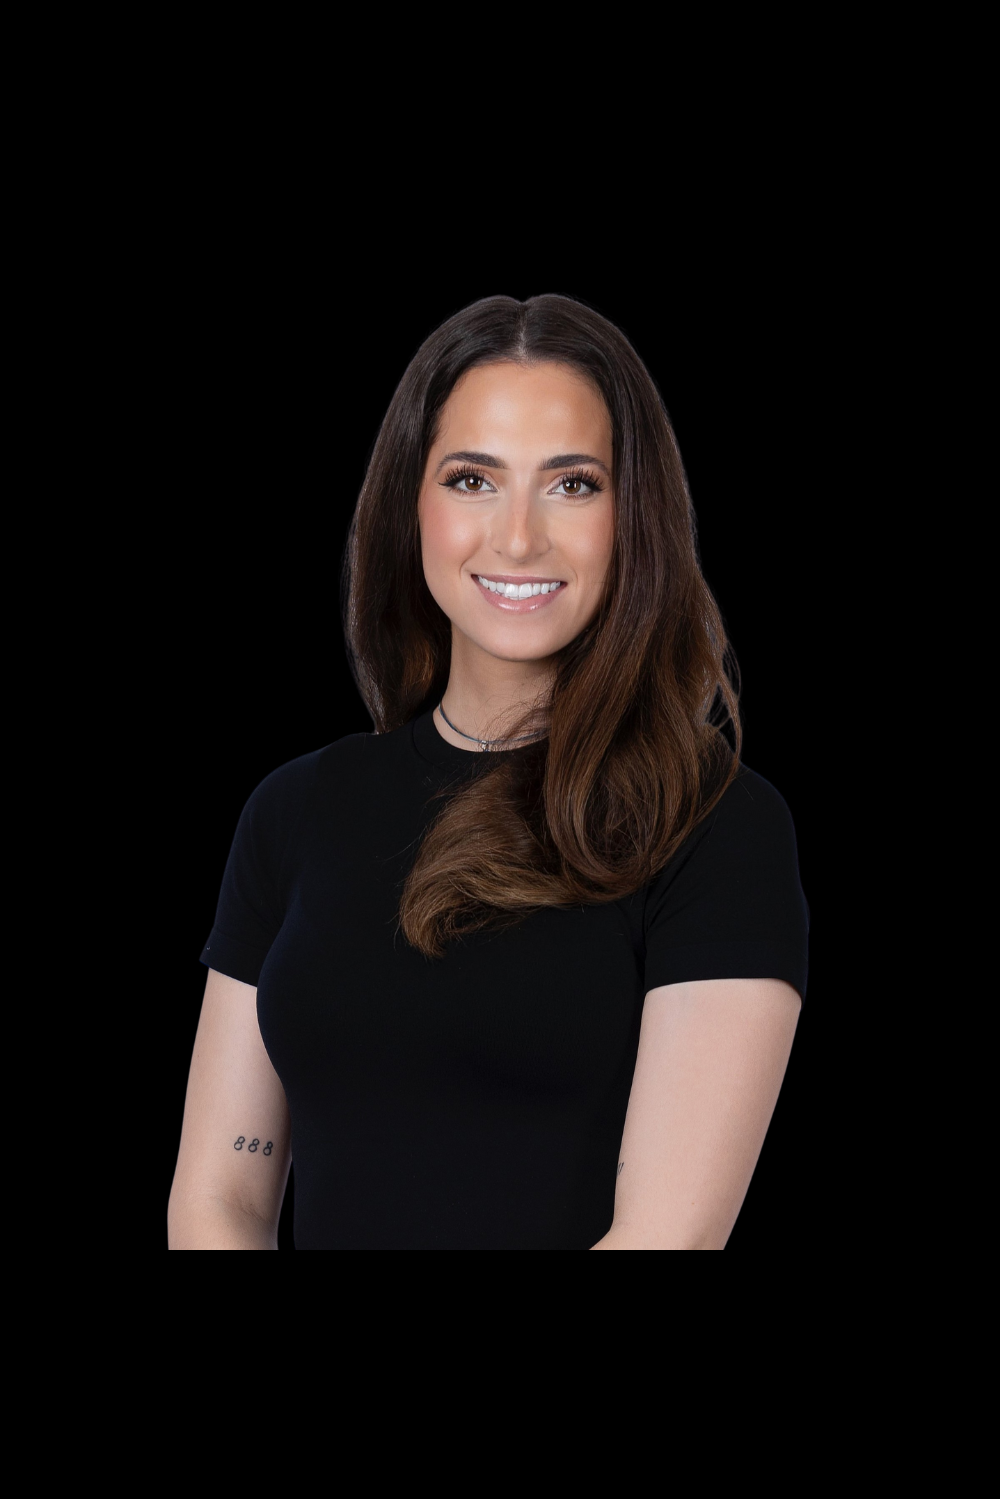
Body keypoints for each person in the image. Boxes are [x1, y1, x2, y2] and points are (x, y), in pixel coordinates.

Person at [168, 294, 809, 1251]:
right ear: (410, 503)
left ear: (634, 515)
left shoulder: (713, 825)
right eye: (473, 479)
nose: (517, 538)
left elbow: (664, 1238)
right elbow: (218, 1200)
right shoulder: (295, 811)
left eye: (573, 484)